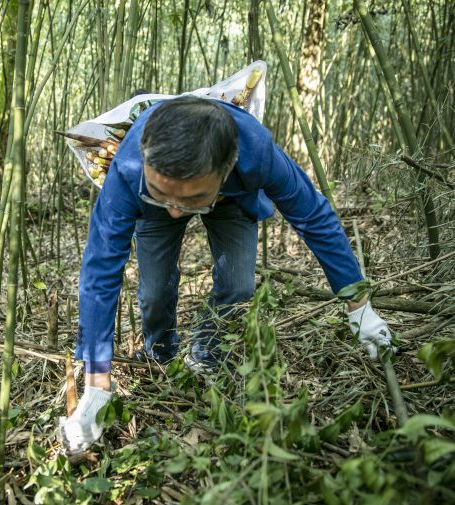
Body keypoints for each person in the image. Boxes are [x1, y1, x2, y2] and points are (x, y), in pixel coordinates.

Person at [58, 95, 393, 453]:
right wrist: (96, 383)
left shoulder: (255, 152)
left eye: (189, 199)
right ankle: (160, 352)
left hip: (229, 200)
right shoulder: (129, 169)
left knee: (238, 286)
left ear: (229, 167)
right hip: (150, 200)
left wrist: (359, 305)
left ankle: (207, 357)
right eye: (165, 195)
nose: (177, 213)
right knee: (154, 289)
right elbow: (100, 269)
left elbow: (313, 216)